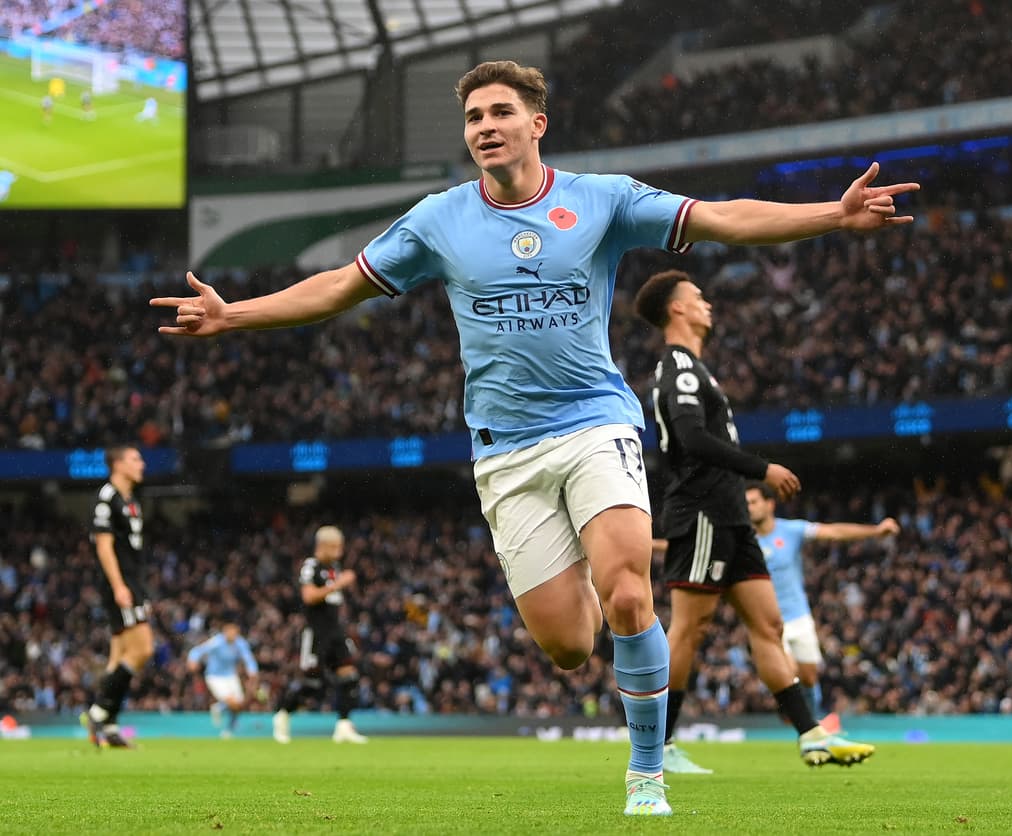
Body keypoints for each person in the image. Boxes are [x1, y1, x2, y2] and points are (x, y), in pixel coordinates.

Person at [151, 60, 917, 816]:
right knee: (567, 647)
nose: (485, 126)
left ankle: (645, 775)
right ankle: (591, 589)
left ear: (536, 124)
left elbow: (724, 216)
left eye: (499, 113)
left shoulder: (602, 201)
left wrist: (831, 214)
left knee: (627, 592)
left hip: (596, 422)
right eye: (474, 117)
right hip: (506, 452)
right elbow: (339, 287)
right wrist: (233, 314)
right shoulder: (438, 219)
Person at [636, 269, 878, 777]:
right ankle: (659, 749)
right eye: (697, 297)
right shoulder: (678, 368)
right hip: (701, 513)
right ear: (677, 309)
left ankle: (812, 736)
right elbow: (692, 439)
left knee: (768, 625)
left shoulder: (698, 370)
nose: (707, 304)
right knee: (688, 632)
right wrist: (760, 468)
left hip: (730, 517)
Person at [745, 480, 900, 725]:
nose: (749, 507)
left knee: (808, 677)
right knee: (787, 672)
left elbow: (833, 532)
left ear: (770, 504)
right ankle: (804, 722)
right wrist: (659, 544)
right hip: (769, 622)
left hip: (799, 617)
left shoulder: (791, 531)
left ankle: (809, 720)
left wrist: (875, 531)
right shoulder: (743, 539)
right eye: (746, 504)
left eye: (753, 502)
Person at [80, 446, 152, 749]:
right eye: (135, 459)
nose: (142, 464)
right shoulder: (107, 497)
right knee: (143, 649)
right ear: (118, 464)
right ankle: (98, 712)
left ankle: (108, 726)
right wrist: (119, 585)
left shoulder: (130, 501)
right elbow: (104, 546)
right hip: (121, 585)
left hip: (133, 582)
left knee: (119, 656)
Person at [272, 525, 368, 745]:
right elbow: (309, 596)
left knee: (350, 676)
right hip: (316, 633)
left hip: (335, 631)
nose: (339, 551)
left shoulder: (334, 566)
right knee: (313, 685)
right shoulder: (311, 566)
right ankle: (283, 713)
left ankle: (343, 726)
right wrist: (338, 584)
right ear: (322, 546)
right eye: (334, 547)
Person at [187, 621, 260, 738]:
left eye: (235, 632)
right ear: (225, 632)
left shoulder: (240, 643)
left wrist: (252, 671)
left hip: (231, 676)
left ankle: (226, 723)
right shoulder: (217, 642)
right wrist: (192, 660)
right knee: (233, 702)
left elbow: (248, 658)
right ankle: (222, 712)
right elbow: (198, 650)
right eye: (230, 632)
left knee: (239, 706)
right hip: (215, 677)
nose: (233, 635)